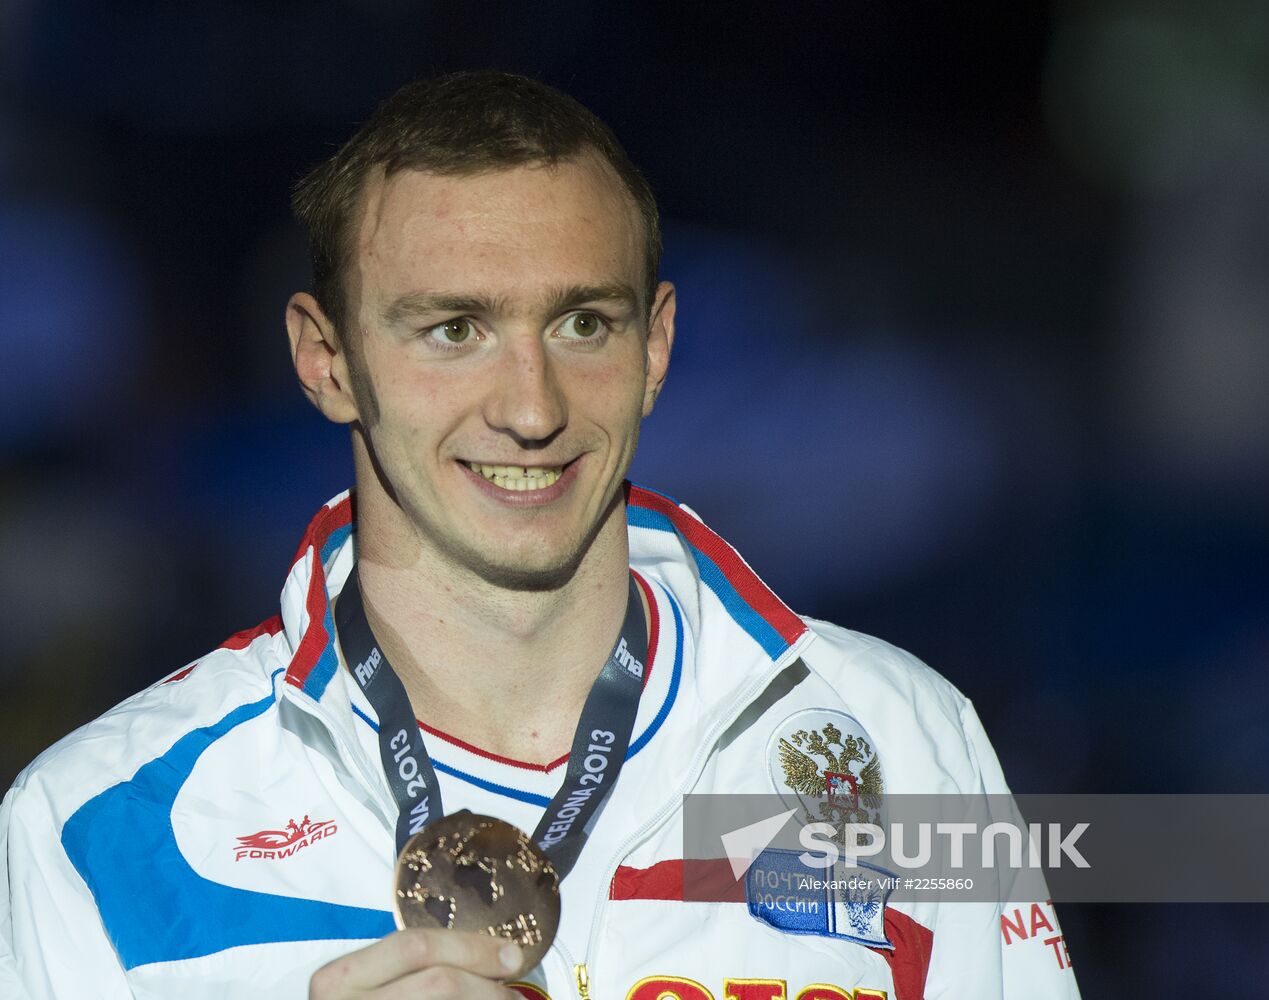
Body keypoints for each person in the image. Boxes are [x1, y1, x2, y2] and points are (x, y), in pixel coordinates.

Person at [0, 71, 1081, 1000]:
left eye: (582, 324)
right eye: (454, 329)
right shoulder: (91, 823)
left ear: (656, 345)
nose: (531, 406)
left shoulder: (898, 734)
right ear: (325, 359)